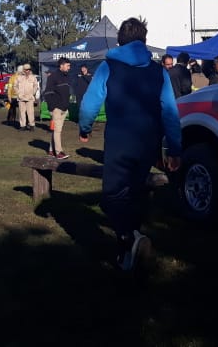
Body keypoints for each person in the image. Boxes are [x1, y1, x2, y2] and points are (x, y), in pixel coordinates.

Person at [78, 17, 182, 272]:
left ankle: (129, 237)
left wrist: (85, 127)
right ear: (144, 41)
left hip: (119, 140)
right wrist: (175, 149)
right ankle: (127, 257)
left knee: (112, 196)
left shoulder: (108, 67)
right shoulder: (159, 72)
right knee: (134, 194)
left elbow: (90, 102)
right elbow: (169, 110)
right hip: (149, 143)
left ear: (119, 41)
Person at [42, 57, 73, 159]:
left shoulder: (67, 77)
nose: (69, 67)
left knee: (56, 130)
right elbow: (48, 93)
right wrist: (53, 107)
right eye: (68, 65)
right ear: (61, 65)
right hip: (56, 109)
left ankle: (51, 150)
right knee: (57, 130)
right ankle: (59, 152)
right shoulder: (53, 76)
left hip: (64, 109)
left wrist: (66, 107)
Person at [14, 63, 39, 131]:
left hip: (30, 98)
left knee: (30, 112)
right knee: (21, 113)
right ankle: (23, 126)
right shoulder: (19, 77)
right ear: (23, 70)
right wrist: (18, 93)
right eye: (25, 69)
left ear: (30, 70)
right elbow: (15, 86)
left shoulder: (33, 77)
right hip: (21, 98)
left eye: (28, 69)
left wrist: (32, 93)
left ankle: (32, 126)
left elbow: (36, 86)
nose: (27, 71)